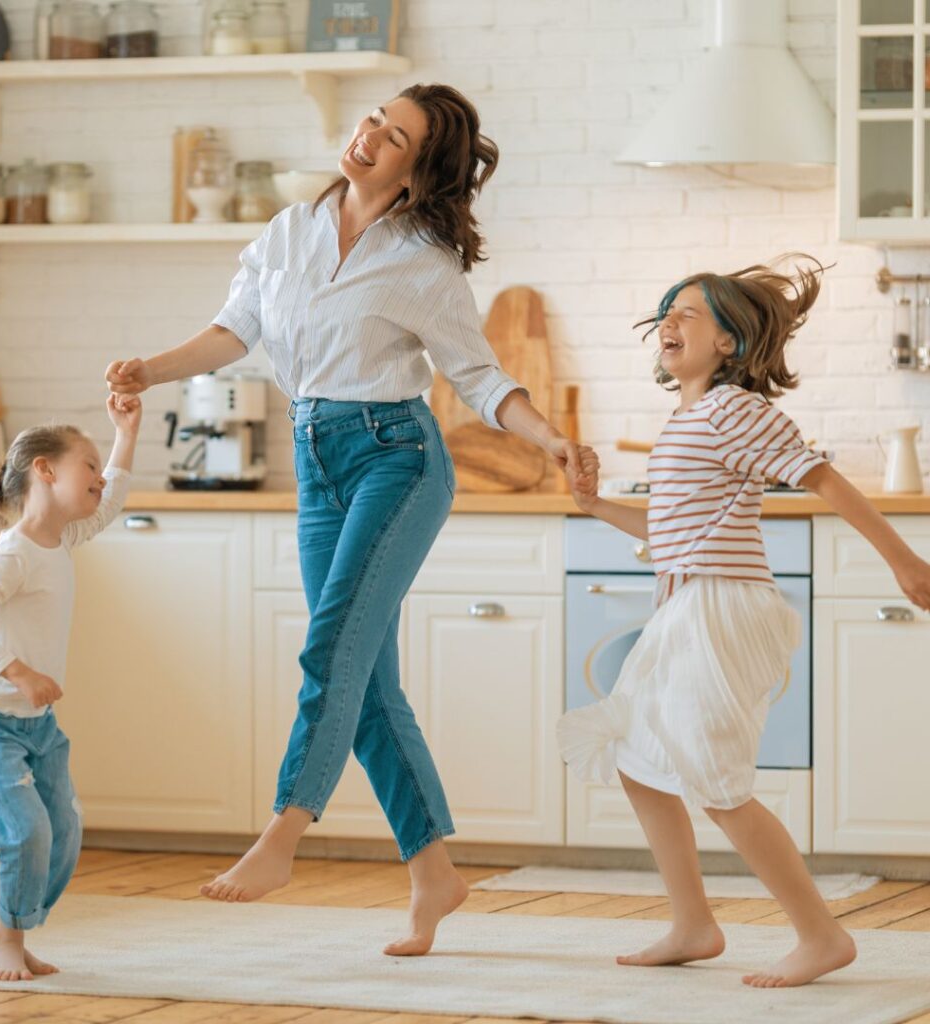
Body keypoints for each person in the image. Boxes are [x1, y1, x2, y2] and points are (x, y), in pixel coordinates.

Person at [105, 83, 587, 956]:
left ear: (417, 170)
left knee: (331, 647)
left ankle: (283, 834)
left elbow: (478, 378)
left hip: (395, 460)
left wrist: (549, 436)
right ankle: (436, 873)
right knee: (364, 680)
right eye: (374, 119)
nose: (369, 137)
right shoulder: (290, 230)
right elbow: (235, 328)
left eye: (394, 136)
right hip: (317, 463)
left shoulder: (425, 262)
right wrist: (152, 369)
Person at [560, 256, 930, 987]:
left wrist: (905, 561)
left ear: (729, 342)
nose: (669, 323)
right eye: (666, 312)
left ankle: (822, 936)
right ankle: (694, 924)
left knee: (715, 779)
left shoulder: (736, 410)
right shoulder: (690, 419)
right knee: (640, 762)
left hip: (720, 609)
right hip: (685, 604)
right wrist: (595, 504)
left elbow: (824, 478)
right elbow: (669, 535)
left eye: (687, 314)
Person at [0, 396, 141, 981]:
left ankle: (7, 926)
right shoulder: (14, 555)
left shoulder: (64, 539)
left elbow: (116, 499)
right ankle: (8, 935)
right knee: (27, 830)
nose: (100, 476)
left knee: (65, 831)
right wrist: (20, 672)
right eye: (89, 463)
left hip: (38, 725)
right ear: (45, 470)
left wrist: (125, 431)